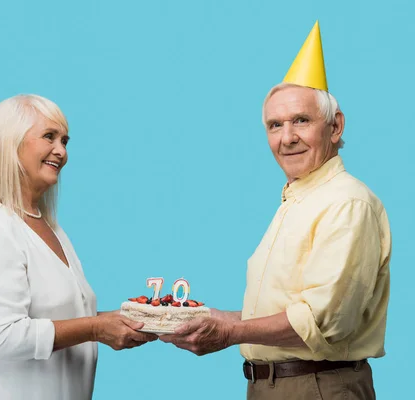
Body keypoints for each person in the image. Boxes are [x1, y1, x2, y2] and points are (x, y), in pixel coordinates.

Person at [160, 21, 391, 399]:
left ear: (335, 127)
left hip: (316, 386)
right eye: (275, 125)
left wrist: (230, 332)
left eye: (301, 120)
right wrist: (216, 319)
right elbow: (290, 311)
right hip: (273, 385)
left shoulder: (346, 203)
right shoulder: (299, 199)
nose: (287, 138)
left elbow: (321, 321)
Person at [0, 94, 157, 400]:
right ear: (9, 142)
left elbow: (57, 316)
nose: (61, 151)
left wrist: (121, 320)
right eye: (49, 137)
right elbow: (4, 336)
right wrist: (97, 327)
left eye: (65, 141)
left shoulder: (50, 228)